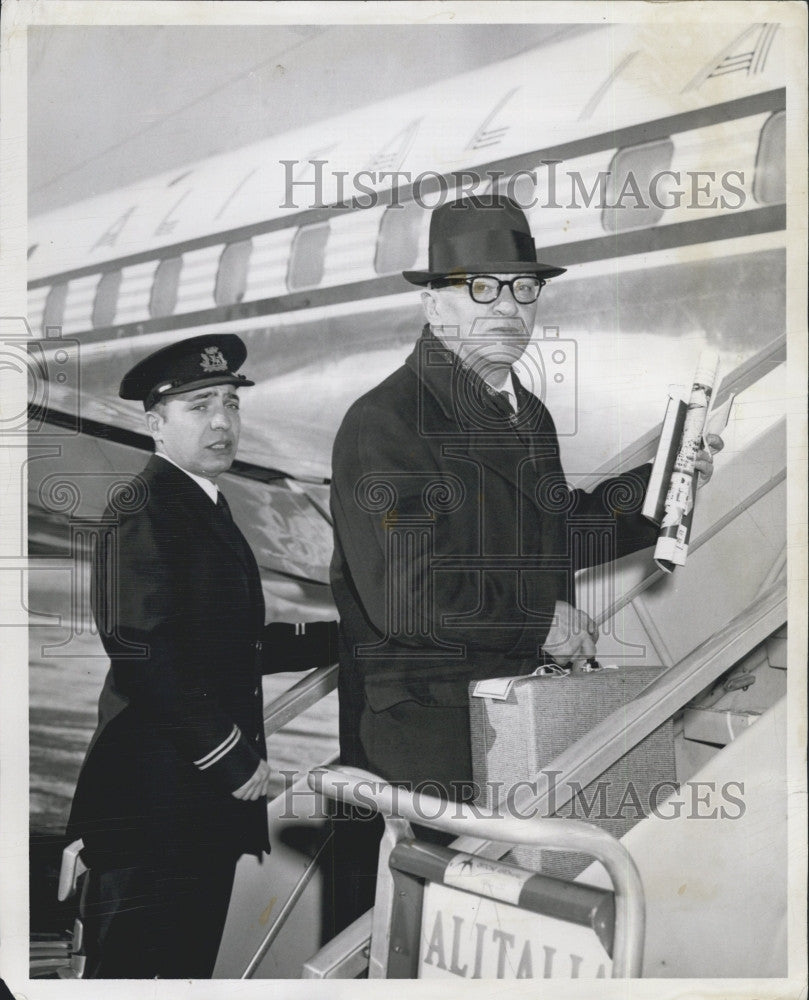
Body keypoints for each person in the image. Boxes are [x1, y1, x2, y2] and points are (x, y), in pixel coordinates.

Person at [328, 195, 722, 919]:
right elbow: (406, 598)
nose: (508, 307)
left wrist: (658, 488)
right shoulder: (384, 423)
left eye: (524, 288)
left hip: (520, 728)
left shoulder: (524, 412)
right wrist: (537, 623)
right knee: (452, 940)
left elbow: (548, 538)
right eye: (481, 287)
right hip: (433, 748)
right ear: (434, 303)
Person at [66, 334, 337, 979]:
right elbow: (143, 650)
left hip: (190, 806)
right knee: (130, 978)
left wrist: (346, 637)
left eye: (230, 403)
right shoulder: (146, 507)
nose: (221, 421)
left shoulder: (201, 504)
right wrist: (230, 757)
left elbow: (228, 647)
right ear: (154, 423)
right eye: (198, 406)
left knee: (184, 975)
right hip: (152, 805)